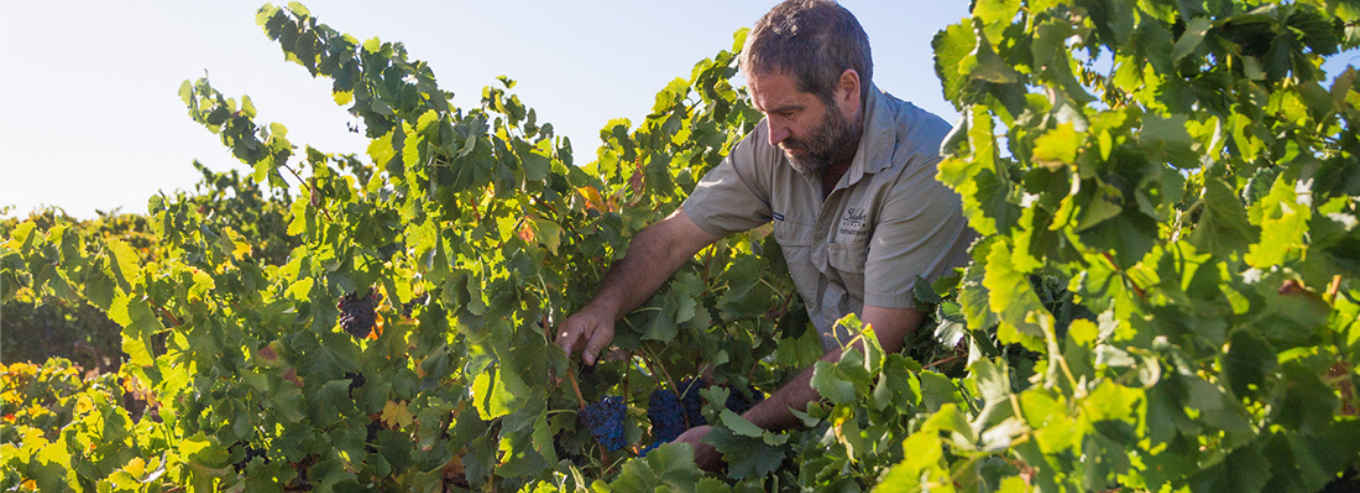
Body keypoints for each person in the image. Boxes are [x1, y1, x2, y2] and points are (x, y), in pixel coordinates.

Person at [555, 0, 975, 470]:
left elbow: (872, 348)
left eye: (788, 111)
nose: (772, 134)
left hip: (942, 418)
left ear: (848, 90)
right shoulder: (777, 144)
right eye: (763, 112)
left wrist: (737, 435)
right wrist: (604, 306)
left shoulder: (924, 164)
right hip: (837, 407)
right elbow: (672, 237)